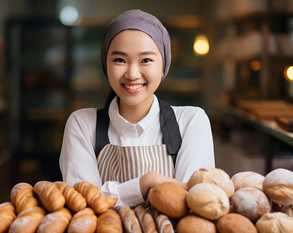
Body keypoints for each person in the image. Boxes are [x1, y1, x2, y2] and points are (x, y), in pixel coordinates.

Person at [59, 9, 215, 207]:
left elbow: (192, 200)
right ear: (105, 64)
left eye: (146, 60)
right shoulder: (82, 123)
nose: (132, 74)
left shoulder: (191, 121)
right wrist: (144, 184)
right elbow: (82, 203)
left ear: (164, 64)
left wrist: (111, 194)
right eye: (119, 60)